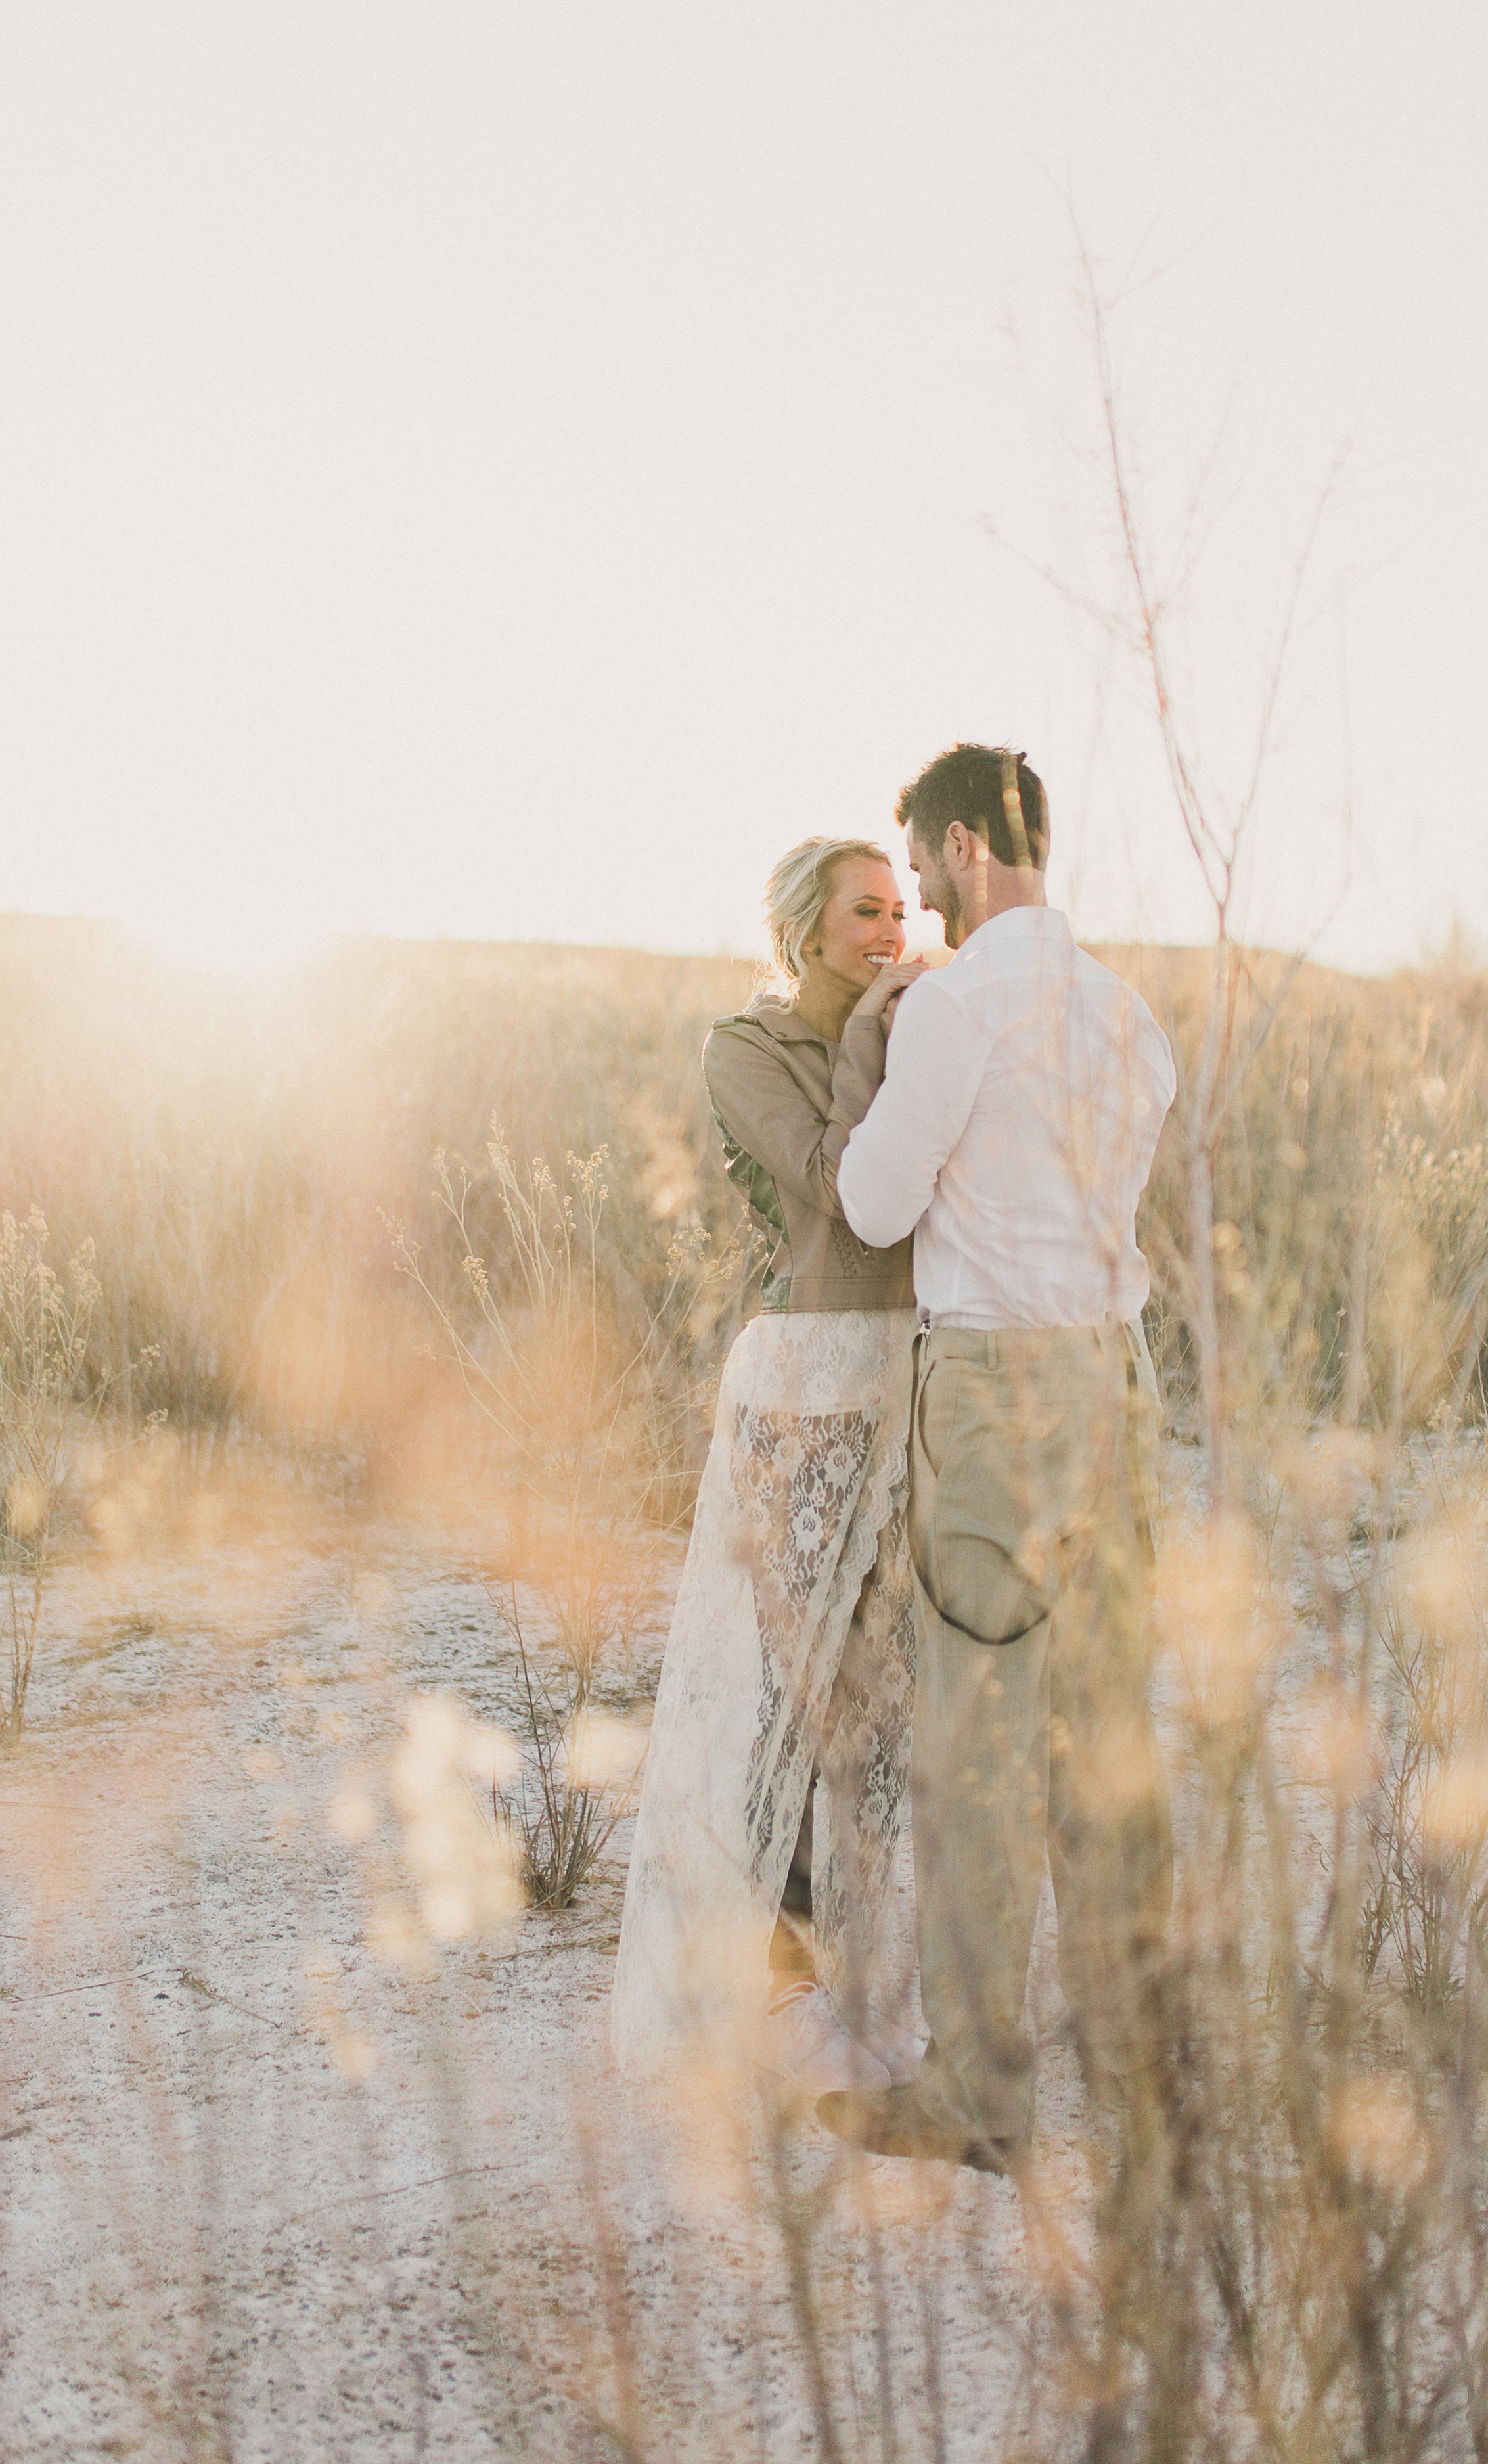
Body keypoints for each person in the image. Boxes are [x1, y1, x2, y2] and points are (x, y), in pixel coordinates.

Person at [820, 745, 1177, 2168]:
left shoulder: (955, 1006)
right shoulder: (1125, 1014)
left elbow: (868, 1204)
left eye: (919, 874)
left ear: (964, 845)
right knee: (1105, 1736)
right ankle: (1139, 2064)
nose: (918, 904)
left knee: (977, 1746)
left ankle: (977, 2093)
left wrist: (884, 1037)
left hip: (990, 1399)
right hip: (1112, 1385)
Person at [611, 837, 927, 2095]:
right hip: (807, 1386)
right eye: (865, 909)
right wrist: (875, 1047)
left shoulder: (922, 1034)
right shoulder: (750, 1049)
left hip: (913, 1381)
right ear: (803, 928)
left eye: (900, 907)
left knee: (876, 1699)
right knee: (784, 1689)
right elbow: (839, 1192)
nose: (890, 929)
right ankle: (772, 1987)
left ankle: (848, 1979)